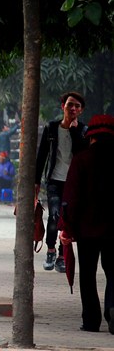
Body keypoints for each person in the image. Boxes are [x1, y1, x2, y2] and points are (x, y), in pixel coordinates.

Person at [59, 114, 114, 334]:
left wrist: (66, 226)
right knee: (113, 271)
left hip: (87, 229)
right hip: (113, 230)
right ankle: (112, 307)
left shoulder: (81, 160)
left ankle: (91, 321)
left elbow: (70, 197)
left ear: (91, 137)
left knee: (88, 274)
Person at [35, 91, 88, 273]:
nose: (73, 108)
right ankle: (50, 250)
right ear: (63, 107)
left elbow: (82, 154)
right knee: (55, 214)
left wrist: (74, 132)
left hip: (74, 183)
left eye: (77, 106)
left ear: (81, 110)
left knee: (69, 219)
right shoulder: (51, 128)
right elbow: (42, 156)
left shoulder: (83, 131)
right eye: (69, 105)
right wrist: (36, 183)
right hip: (54, 181)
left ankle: (61, 255)